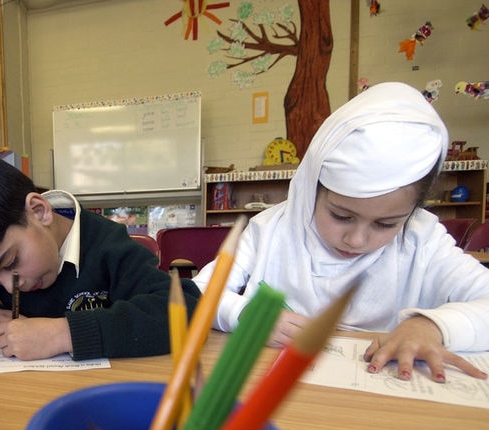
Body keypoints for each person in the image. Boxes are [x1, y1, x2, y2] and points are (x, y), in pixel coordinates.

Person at [192, 82, 489, 383]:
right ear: (312, 190)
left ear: (411, 212)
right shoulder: (269, 230)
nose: (357, 240)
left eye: (386, 224)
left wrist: (433, 326)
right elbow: (198, 293)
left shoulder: (421, 238)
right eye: (341, 215)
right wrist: (246, 315)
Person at [0, 151, 202, 361]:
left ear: (39, 211)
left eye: (10, 263)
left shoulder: (108, 246)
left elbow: (184, 309)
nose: (7, 285)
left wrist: (64, 334)